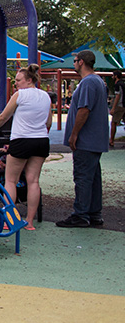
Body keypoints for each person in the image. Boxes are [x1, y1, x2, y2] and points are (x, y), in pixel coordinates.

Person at [0, 64, 51, 230]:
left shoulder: (20, 95)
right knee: (33, 181)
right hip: (41, 140)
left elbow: (4, 116)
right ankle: (29, 222)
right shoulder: (45, 96)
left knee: (10, 180)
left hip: (22, 139)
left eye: (18, 80)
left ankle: (9, 221)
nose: (15, 83)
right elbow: (48, 121)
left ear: (29, 80)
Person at [57, 50, 110, 228]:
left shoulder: (88, 82)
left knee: (83, 177)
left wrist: (74, 134)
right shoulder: (98, 81)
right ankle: (94, 213)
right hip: (95, 139)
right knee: (93, 177)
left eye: (75, 60)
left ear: (81, 62)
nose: (74, 64)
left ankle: (81, 214)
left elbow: (84, 109)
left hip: (86, 139)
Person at [110, 70, 124, 148]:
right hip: (124, 105)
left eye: (113, 75)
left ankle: (111, 140)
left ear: (116, 76)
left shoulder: (117, 85)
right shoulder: (123, 84)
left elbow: (118, 96)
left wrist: (113, 108)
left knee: (114, 123)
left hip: (120, 105)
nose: (112, 77)